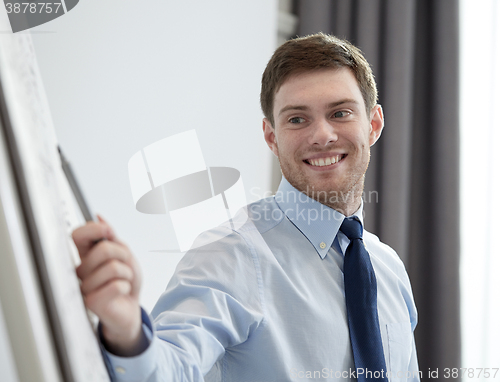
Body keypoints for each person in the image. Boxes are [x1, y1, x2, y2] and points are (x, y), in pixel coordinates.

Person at [73, 33, 420, 381]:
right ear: (271, 136)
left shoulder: (390, 270)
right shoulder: (230, 255)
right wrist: (127, 332)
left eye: (340, 113)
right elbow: (168, 370)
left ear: (373, 124)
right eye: (297, 119)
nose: (322, 135)